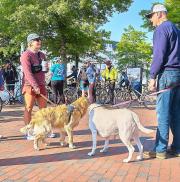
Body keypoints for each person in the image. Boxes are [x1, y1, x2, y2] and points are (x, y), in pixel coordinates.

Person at [144, 4, 180, 159]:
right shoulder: (176, 29)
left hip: (167, 74)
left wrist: (152, 76)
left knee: (163, 113)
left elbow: (159, 55)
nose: (150, 20)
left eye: (151, 16)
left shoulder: (161, 29)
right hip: (178, 75)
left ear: (159, 14)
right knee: (176, 113)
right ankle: (178, 148)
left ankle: (160, 149)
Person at [20, 33, 49, 140]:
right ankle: (29, 132)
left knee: (43, 109)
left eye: (40, 40)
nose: (39, 42)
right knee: (28, 108)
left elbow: (45, 70)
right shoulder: (25, 55)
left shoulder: (42, 55)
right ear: (30, 42)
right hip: (29, 85)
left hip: (41, 85)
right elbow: (27, 73)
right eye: (37, 40)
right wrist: (35, 86)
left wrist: (46, 68)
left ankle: (44, 130)